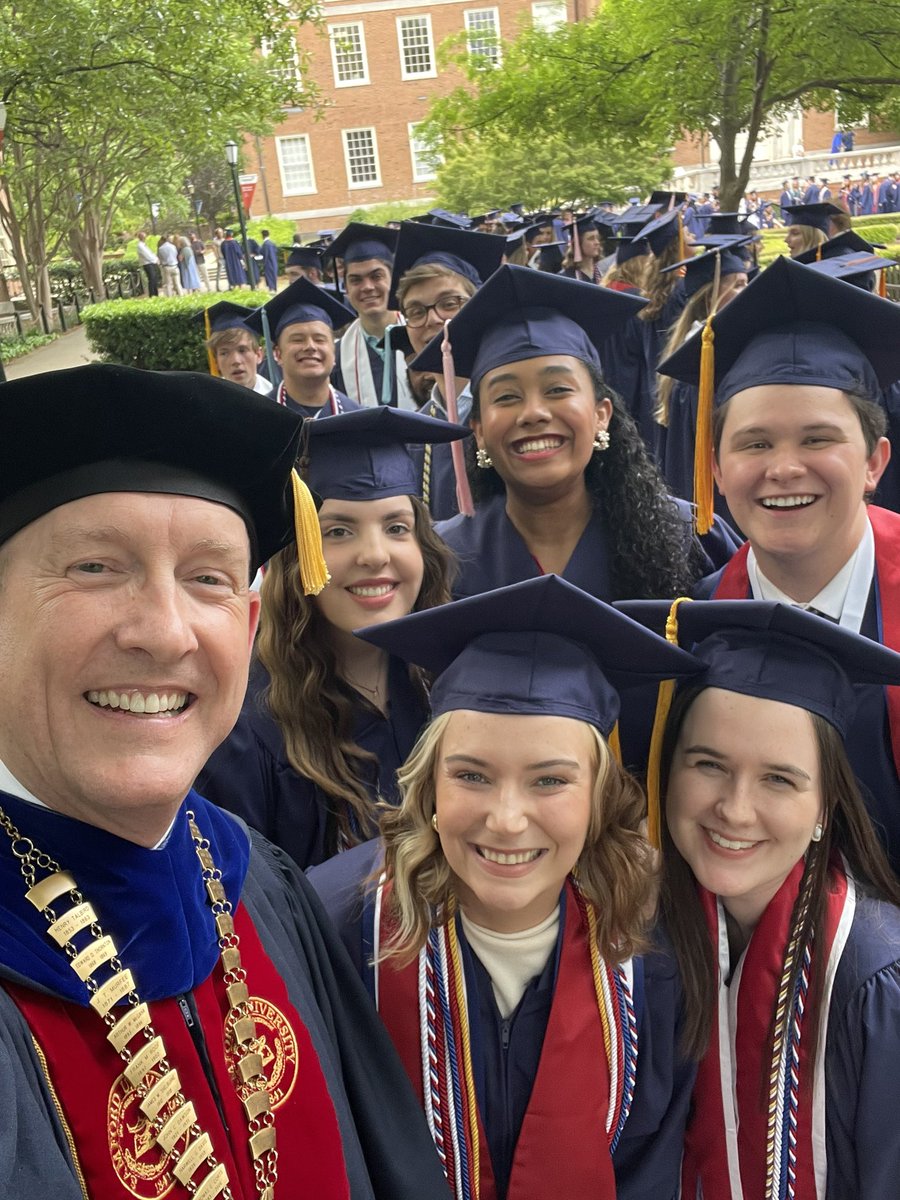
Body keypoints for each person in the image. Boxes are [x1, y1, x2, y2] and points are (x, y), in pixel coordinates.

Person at [0, 364, 454, 1199]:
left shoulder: (253, 880)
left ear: (247, 630)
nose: (166, 633)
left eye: (209, 578)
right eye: (96, 567)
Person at [309, 574, 703, 1200]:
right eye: (472, 775)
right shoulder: (334, 931)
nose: (507, 820)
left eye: (549, 781)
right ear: (429, 783)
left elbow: (651, 1172)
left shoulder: (653, 950)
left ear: (600, 797)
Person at [633, 599, 900, 1199]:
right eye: (708, 765)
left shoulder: (877, 982)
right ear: (665, 771)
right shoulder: (635, 948)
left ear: (824, 806)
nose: (734, 809)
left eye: (779, 778)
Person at [658, 255, 900, 873]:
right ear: (715, 468)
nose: (784, 468)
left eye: (817, 440)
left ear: (875, 462)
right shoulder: (692, 632)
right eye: (755, 443)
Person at [198, 407, 465, 868]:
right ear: (297, 553)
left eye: (397, 527)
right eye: (338, 531)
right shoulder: (245, 729)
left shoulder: (448, 683)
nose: (375, 554)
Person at [413, 266, 739, 605]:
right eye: (507, 397)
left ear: (601, 415)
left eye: (557, 389)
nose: (534, 413)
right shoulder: (441, 560)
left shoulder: (686, 537)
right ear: (478, 431)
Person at [389, 220, 507, 518]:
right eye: (416, 311)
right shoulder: (413, 433)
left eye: (450, 303)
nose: (433, 319)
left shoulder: (513, 410)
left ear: (479, 305)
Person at [654, 245, 749, 511]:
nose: (747, 292)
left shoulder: (690, 351)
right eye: (739, 285)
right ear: (710, 298)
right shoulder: (704, 362)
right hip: (713, 499)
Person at [244, 277, 356, 417]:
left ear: (334, 353)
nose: (310, 346)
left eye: (319, 339)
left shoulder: (359, 420)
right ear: (278, 354)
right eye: (297, 340)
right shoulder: (256, 418)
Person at [322, 224, 408, 408]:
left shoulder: (423, 341)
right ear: (346, 287)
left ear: (394, 280)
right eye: (356, 280)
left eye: (376, 276)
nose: (367, 287)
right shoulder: (336, 358)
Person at [194, 300, 273, 395]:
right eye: (224, 353)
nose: (235, 361)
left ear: (258, 355)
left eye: (242, 350)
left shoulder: (278, 400)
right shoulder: (208, 400)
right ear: (216, 362)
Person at [135, 231, 161, 297]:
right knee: (152, 279)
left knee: (154, 279)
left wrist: (156, 259)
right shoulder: (140, 246)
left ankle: (155, 293)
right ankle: (152, 294)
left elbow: (150, 253)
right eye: (143, 237)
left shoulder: (144, 245)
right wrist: (155, 260)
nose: (145, 238)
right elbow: (147, 255)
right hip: (148, 264)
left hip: (151, 263)